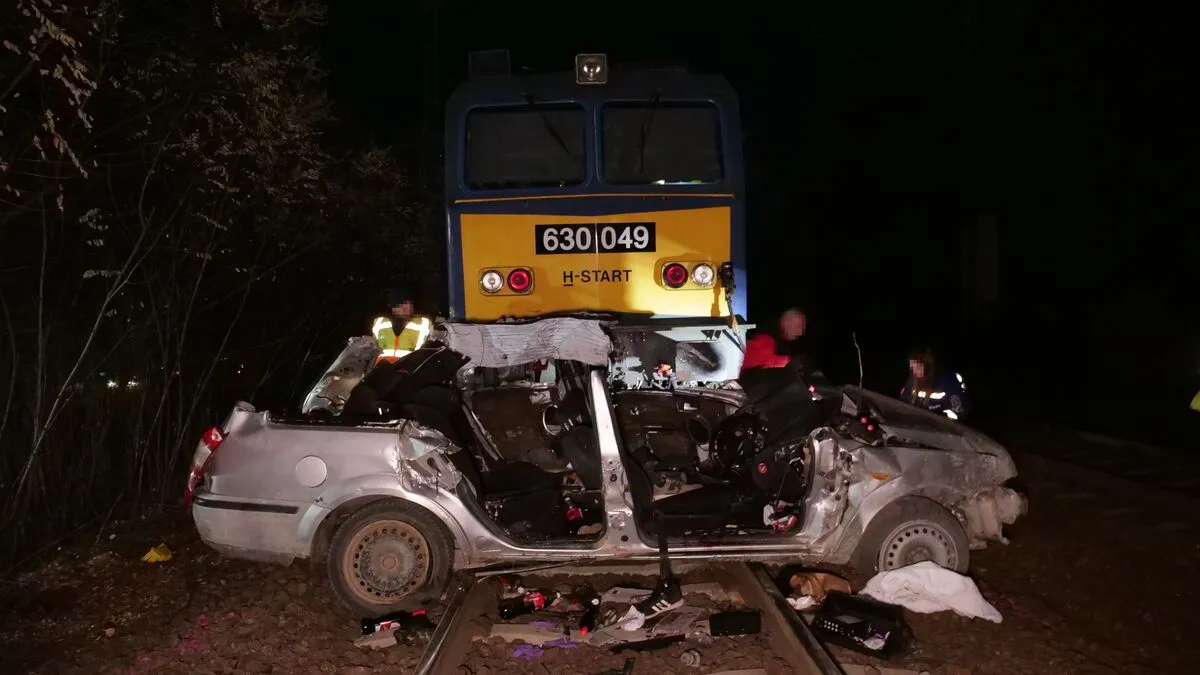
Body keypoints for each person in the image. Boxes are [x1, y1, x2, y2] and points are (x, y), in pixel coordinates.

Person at [900, 348, 970, 419]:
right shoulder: (912, 381)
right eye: (912, 366)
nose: (914, 371)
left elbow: (961, 411)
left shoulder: (948, 380)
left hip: (944, 423)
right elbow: (903, 403)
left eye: (918, 366)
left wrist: (941, 414)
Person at [371, 285, 432, 364]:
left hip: (409, 369)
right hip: (382, 369)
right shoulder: (379, 323)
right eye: (402, 304)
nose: (407, 307)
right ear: (393, 306)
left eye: (409, 303)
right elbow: (372, 351)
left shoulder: (424, 324)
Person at [740, 307, 808, 372]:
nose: (800, 333)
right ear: (786, 322)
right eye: (798, 326)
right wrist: (786, 362)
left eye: (802, 329)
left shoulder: (784, 344)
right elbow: (742, 360)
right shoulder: (767, 339)